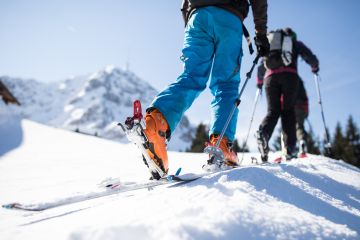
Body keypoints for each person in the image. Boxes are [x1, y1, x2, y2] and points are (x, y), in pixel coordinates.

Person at [143, 0, 269, 179]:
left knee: (191, 76)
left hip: (197, 16)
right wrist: (261, 34)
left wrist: (190, 22)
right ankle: (221, 143)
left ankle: (156, 123)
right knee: (226, 84)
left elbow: (183, 4)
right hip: (229, 18)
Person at [256, 27, 319, 162]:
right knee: (288, 111)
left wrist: (259, 83)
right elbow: (310, 56)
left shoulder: (273, 45)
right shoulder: (295, 43)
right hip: (290, 76)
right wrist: (315, 67)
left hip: (270, 78)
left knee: (273, 111)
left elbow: (261, 67)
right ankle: (290, 148)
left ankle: (264, 133)